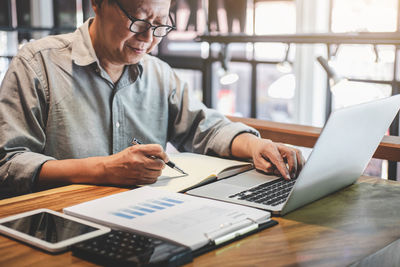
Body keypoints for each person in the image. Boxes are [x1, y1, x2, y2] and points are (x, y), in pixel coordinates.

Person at [0, 0, 304, 198]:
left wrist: (257, 146)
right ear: (97, 4)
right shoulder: (37, 64)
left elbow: (205, 127)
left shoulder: (158, 73)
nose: (149, 38)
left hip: (142, 219)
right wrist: (102, 170)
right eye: (139, 21)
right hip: (54, 224)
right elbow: (8, 165)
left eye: (160, 24)